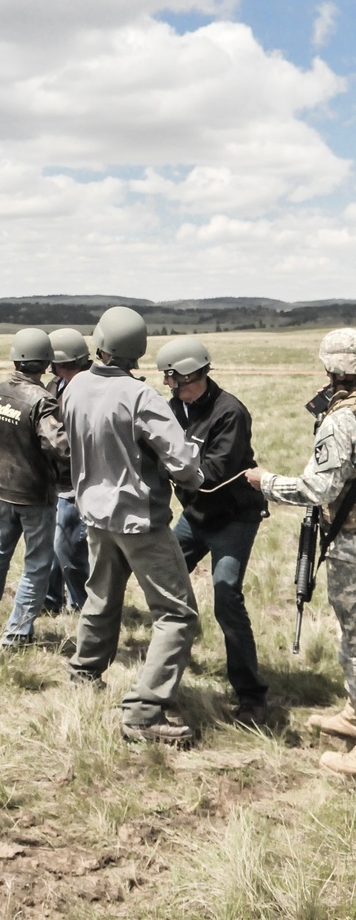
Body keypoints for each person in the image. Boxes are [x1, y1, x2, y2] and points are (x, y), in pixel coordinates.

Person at [61, 306, 204, 743]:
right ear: (138, 350)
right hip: (140, 521)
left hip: (95, 516)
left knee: (101, 596)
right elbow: (183, 461)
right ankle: (144, 712)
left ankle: (85, 674)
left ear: (100, 341)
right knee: (177, 614)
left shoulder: (74, 386)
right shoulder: (142, 396)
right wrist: (192, 472)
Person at [245, 328, 356, 777]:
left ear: (332, 369)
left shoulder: (341, 421)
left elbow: (318, 487)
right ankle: (353, 713)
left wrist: (265, 482)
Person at [157, 336, 269, 726]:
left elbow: (213, 475)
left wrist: (167, 465)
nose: (171, 388)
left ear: (193, 373)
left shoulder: (230, 413)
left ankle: (251, 696)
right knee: (162, 580)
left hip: (233, 518)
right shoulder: (175, 409)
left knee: (226, 597)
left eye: (174, 380)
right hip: (195, 516)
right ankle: (160, 675)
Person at [0, 328, 71, 649]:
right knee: (37, 564)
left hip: (2, 488)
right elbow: (61, 447)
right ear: (45, 363)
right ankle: (17, 634)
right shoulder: (42, 401)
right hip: (34, 495)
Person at [44, 327, 91, 613]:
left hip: (77, 481)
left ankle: (83, 605)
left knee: (69, 548)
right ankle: (51, 601)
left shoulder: (87, 389)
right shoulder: (54, 386)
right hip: (54, 479)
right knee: (51, 546)